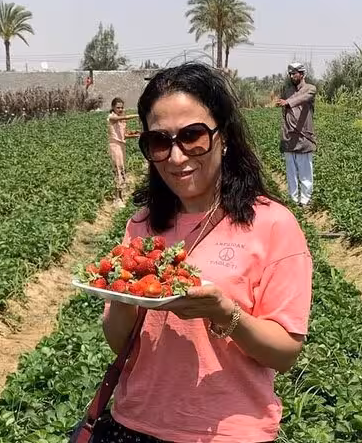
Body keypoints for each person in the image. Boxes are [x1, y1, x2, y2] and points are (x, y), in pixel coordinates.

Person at [100, 63, 313, 442]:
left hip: (228, 431)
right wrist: (120, 293)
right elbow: (121, 343)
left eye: (193, 137)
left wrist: (225, 313)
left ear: (224, 136)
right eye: (160, 142)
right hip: (134, 424)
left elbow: (284, 354)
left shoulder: (272, 225)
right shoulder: (143, 226)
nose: (177, 157)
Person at [275, 62, 317, 208]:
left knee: (305, 170)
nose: (293, 76)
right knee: (291, 171)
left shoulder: (310, 89)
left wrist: (288, 102)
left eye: (295, 73)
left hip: (304, 136)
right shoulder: (286, 91)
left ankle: (305, 199)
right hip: (289, 136)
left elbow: (303, 98)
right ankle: (293, 200)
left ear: (302, 74)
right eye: (291, 73)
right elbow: (284, 113)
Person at [107, 97, 138, 199]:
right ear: (113, 107)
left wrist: (137, 135)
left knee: (122, 168)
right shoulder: (111, 117)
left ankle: (122, 193)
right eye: (118, 107)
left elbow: (124, 135)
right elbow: (118, 119)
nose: (120, 109)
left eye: (121, 107)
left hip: (122, 145)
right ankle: (118, 196)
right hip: (115, 146)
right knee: (118, 168)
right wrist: (137, 115)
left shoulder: (122, 120)